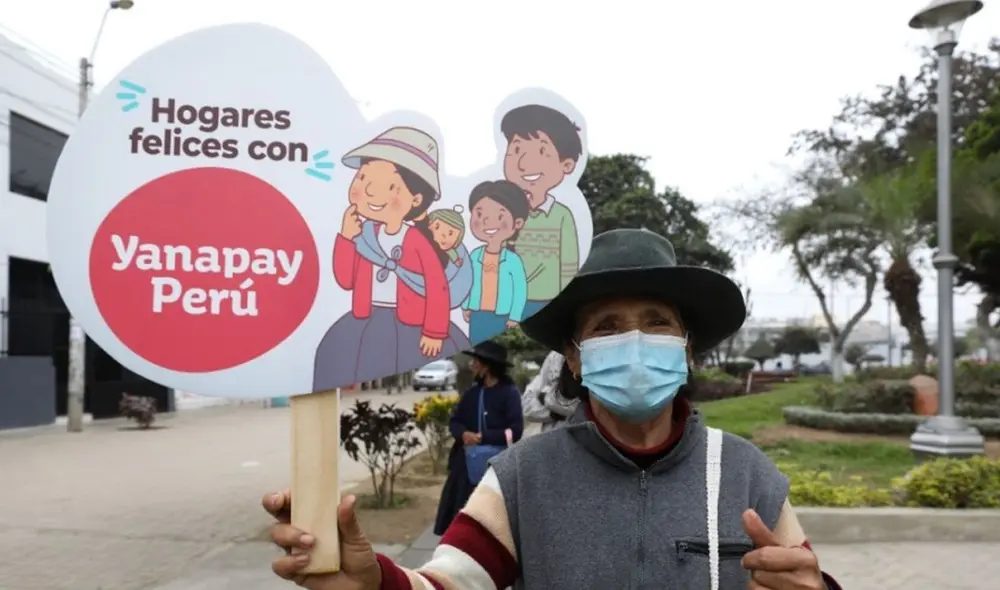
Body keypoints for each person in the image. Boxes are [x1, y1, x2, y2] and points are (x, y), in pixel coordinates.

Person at [263, 228, 843, 589]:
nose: (634, 341)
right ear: (575, 357)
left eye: (657, 322)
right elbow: (451, 584)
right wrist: (375, 582)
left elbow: (801, 573)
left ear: (685, 348)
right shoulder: (521, 477)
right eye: (608, 327)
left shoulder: (745, 474)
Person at [313, 126, 470, 390]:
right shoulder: (365, 235)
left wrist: (434, 331)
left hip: (409, 323)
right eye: (362, 178)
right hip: (365, 317)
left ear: (416, 198)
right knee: (333, 353)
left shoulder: (418, 240)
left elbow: (436, 285)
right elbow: (346, 279)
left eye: (390, 186)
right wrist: (346, 239)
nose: (370, 191)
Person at [432, 341, 524, 535]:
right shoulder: (472, 394)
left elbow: (516, 431)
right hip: (466, 466)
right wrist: (463, 434)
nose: (471, 365)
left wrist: (484, 437)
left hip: (496, 466)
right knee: (461, 517)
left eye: (476, 362)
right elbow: (455, 422)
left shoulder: (509, 393)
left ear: (487, 366)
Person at [500, 104, 582, 318]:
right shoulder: (506, 214)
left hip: (548, 305)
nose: (524, 164)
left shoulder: (562, 215)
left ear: (567, 165)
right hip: (509, 303)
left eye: (541, 151)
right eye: (516, 150)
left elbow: (569, 265)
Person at [460, 180, 530, 343]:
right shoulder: (475, 256)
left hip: (502, 314)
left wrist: (515, 316)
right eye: (479, 214)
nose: (488, 222)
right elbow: (467, 282)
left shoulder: (513, 260)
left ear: (518, 223)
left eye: (499, 216)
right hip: (477, 313)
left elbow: (519, 290)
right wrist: (466, 305)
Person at [521, 350, 577, 433]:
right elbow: (527, 405)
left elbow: (579, 407)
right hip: (551, 437)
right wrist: (555, 414)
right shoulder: (554, 357)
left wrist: (545, 398)